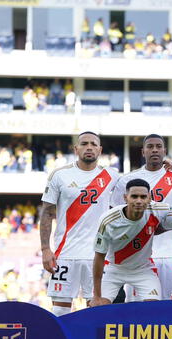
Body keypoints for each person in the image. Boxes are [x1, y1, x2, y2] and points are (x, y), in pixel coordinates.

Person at [39, 131, 119, 316]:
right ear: (76, 149)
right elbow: (47, 213)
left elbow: (141, 186)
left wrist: (166, 166)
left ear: (100, 150)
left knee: (96, 311)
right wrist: (45, 248)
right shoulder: (59, 175)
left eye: (93, 144)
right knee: (60, 311)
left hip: (97, 255)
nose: (88, 147)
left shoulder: (112, 176)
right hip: (65, 254)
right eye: (84, 144)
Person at [111, 134, 172, 300]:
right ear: (143, 151)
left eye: (159, 146)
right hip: (137, 257)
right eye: (150, 147)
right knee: (138, 310)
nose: (154, 150)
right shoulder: (127, 180)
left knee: (170, 307)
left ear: (165, 150)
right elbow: (116, 216)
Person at [91, 179, 170, 306]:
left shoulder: (158, 209)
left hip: (143, 269)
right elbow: (99, 257)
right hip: (113, 269)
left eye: (143, 197)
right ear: (125, 198)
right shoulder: (108, 220)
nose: (139, 201)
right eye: (134, 196)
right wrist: (96, 296)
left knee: (154, 308)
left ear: (149, 198)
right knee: (99, 307)